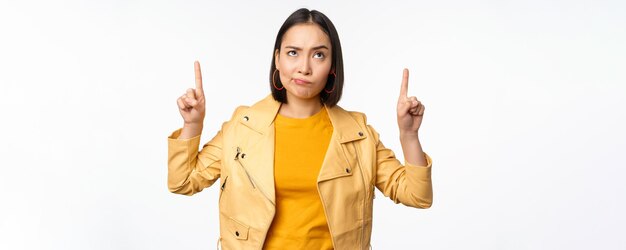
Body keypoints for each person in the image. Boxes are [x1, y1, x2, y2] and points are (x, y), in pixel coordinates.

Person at [167, 8, 433, 249]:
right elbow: (182, 181)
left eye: (318, 55)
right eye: (293, 53)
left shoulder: (358, 134)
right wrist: (192, 124)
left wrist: (409, 135)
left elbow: (417, 196)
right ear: (278, 59)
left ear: (332, 66)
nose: (304, 68)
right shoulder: (243, 126)